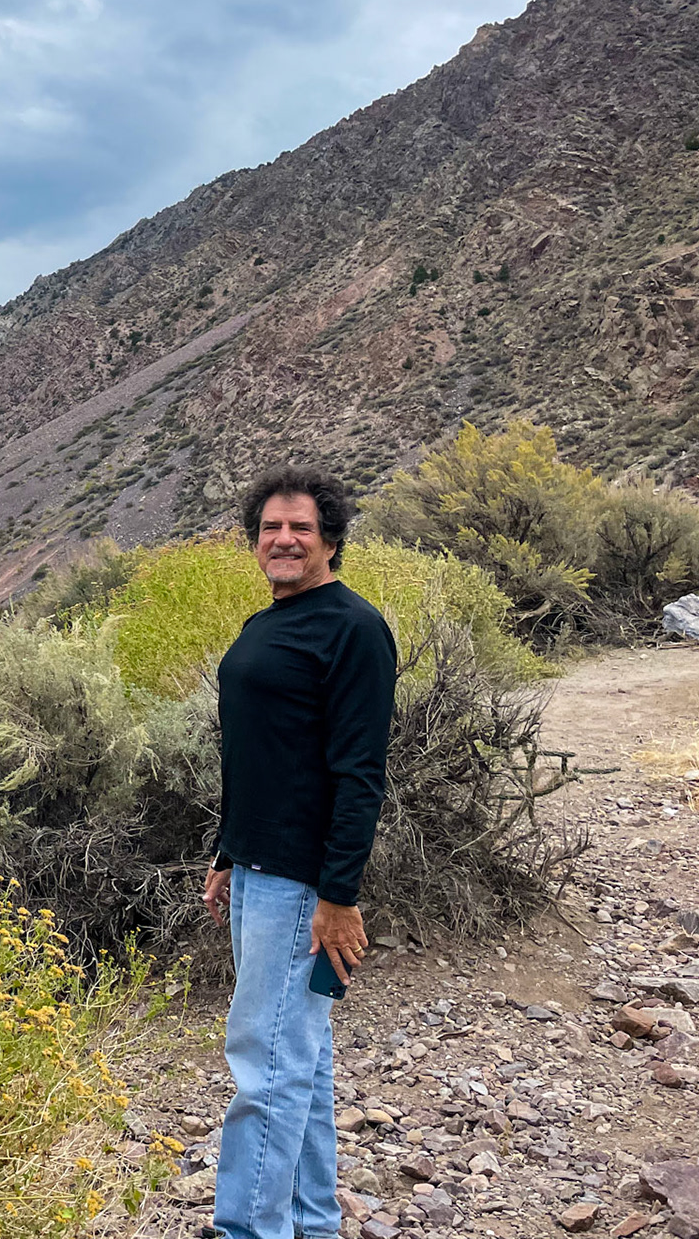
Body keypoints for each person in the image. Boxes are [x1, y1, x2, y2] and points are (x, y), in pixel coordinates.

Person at [203, 466, 397, 1239]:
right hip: (256, 870)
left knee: (266, 1062)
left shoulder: (352, 628)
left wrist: (338, 895)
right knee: (300, 1061)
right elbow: (258, 754)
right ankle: (312, 1224)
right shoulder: (269, 622)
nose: (283, 540)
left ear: (331, 541)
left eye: (301, 528)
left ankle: (246, 1230)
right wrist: (226, 850)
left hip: (300, 884)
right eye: (271, 528)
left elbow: (360, 773)